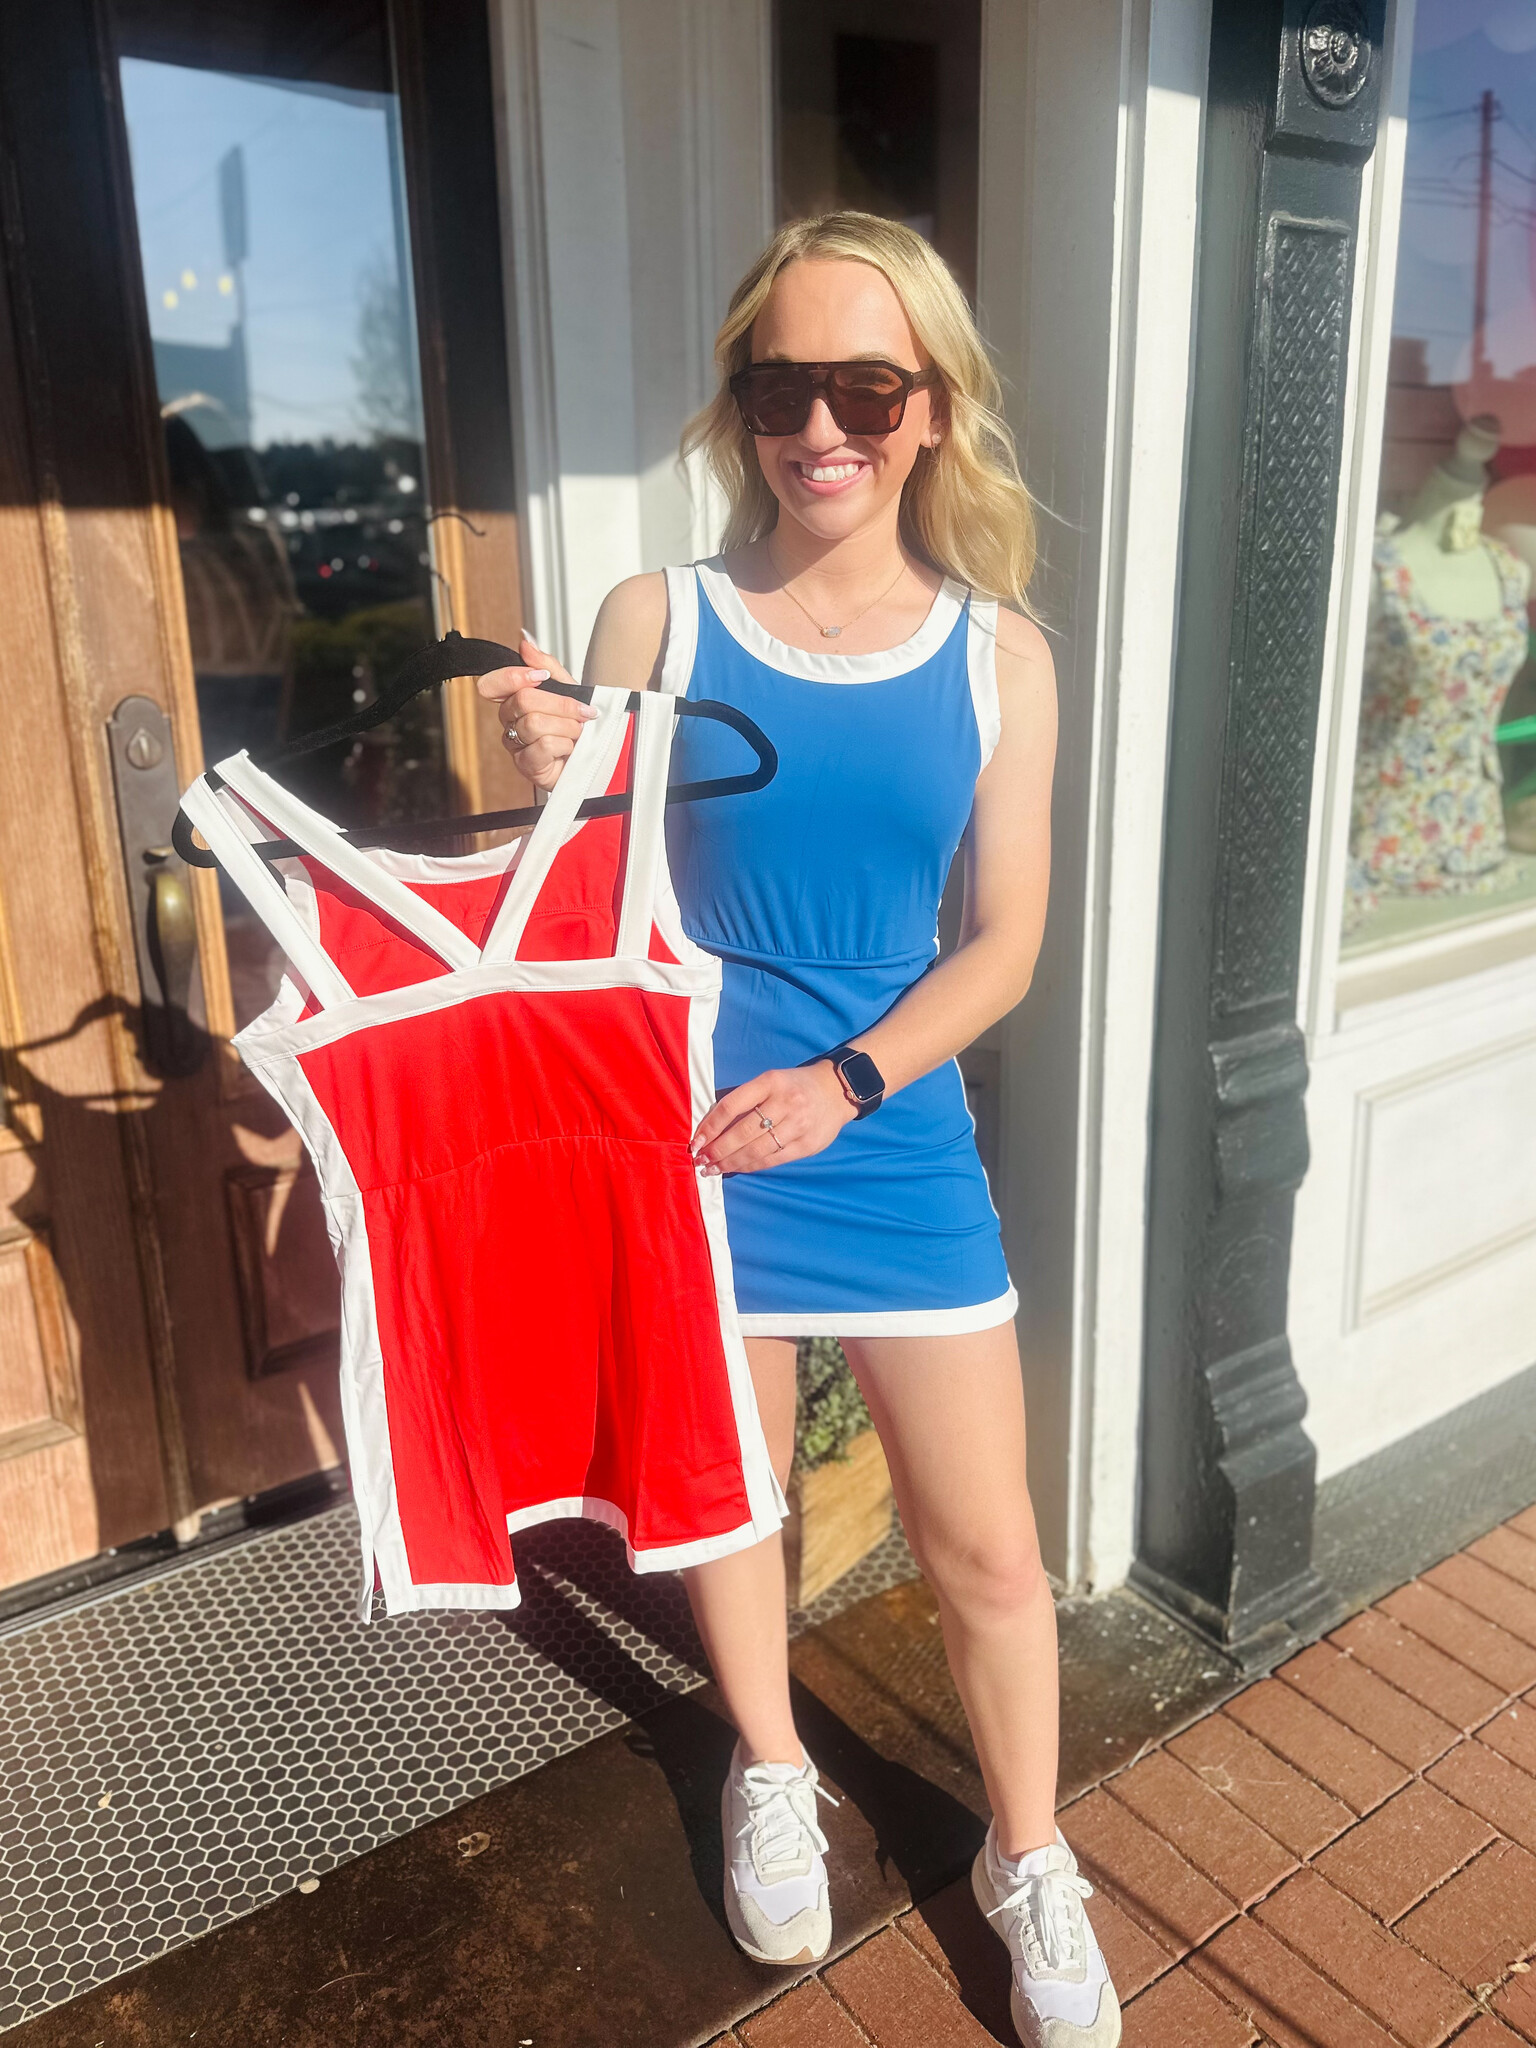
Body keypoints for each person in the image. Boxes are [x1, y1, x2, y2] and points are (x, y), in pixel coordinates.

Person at [480, 211, 1121, 2048]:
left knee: (987, 1548)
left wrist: (844, 1084)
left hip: (887, 1135)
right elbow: (590, 907)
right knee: (732, 1497)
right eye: (782, 390)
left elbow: (1005, 947)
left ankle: (1025, 1853)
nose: (820, 429)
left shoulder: (1003, 657)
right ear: (741, 407)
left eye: (866, 388)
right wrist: (551, 775)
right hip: (693, 1141)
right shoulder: (657, 618)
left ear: (934, 409)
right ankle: (771, 1760)